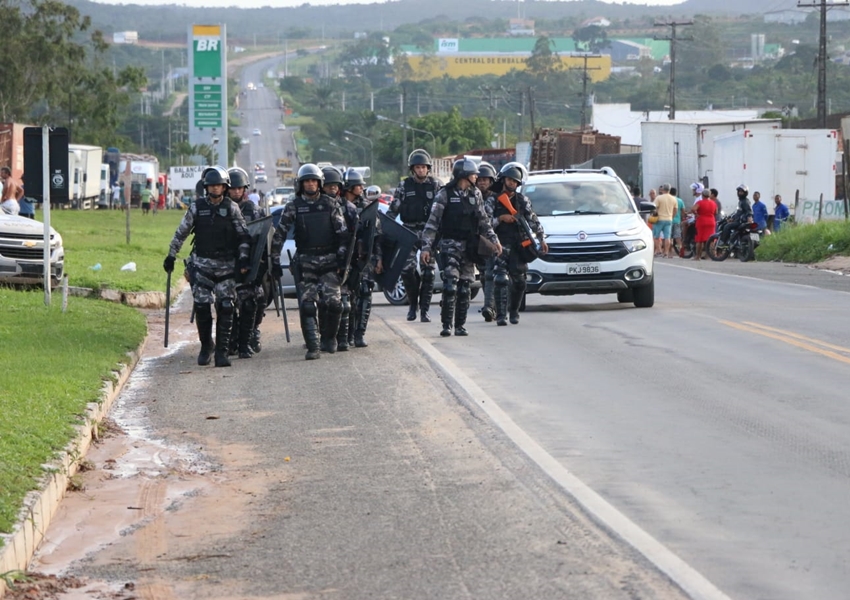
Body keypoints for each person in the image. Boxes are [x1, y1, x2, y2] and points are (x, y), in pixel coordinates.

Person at [163, 166, 251, 368]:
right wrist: (171, 255)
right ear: (206, 187)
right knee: (202, 307)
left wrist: (244, 259)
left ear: (224, 187)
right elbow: (181, 232)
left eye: (219, 186)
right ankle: (206, 346)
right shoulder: (197, 207)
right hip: (202, 266)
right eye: (211, 186)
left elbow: (243, 235)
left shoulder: (231, 208)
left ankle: (222, 351)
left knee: (226, 307)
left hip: (226, 267)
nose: (215, 189)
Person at [275, 164, 350, 360]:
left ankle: (329, 339)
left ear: (319, 183)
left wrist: (343, 259)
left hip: (329, 261)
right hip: (306, 261)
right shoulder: (293, 206)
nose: (310, 184)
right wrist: (274, 259)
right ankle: (313, 346)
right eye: (307, 181)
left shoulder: (330, 204)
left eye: (313, 181)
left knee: (334, 304)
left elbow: (343, 235)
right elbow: (280, 233)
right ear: (300, 184)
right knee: (308, 305)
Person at [421, 159, 501, 337]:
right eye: (474, 174)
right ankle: (446, 324)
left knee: (465, 287)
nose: (477, 177)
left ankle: (460, 326)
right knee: (450, 285)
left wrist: (494, 240)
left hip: (470, 246)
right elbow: (432, 223)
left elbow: (483, 220)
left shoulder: (476, 195)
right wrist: (426, 247)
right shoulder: (444, 194)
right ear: (464, 175)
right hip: (450, 245)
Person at [486, 163, 547, 326]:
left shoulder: (522, 201)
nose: (512, 183)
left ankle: (514, 311)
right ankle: (500, 315)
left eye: (515, 181)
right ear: (504, 180)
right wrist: (500, 219)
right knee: (500, 279)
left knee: (520, 281)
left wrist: (541, 239)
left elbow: (533, 221)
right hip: (499, 244)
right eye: (509, 180)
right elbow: (484, 223)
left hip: (519, 245)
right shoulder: (493, 200)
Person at [387, 149, 443, 323]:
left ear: (428, 169)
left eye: (423, 167)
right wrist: (384, 228)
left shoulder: (436, 186)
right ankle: (413, 305)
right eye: (417, 167)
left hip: (429, 232)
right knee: (407, 270)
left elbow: (443, 211)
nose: (420, 170)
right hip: (408, 231)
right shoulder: (404, 186)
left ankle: (425, 310)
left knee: (428, 272)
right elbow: (393, 210)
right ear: (413, 169)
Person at [227, 167, 270, 359]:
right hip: (226, 265)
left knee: (255, 302)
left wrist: (263, 267)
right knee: (227, 305)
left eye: (240, 188)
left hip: (250, 267)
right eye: (233, 188)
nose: (236, 192)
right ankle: (231, 340)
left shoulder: (255, 211)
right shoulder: (222, 210)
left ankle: (251, 333)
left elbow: (264, 240)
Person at [342, 168, 383, 348]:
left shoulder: (367, 206)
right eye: (358, 185)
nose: (361, 188)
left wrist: (379, 258)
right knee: (347, 297)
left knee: (365, 293)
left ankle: (359, 334)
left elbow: (377, 235)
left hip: (364, 258)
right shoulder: (339, 205)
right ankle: (347, 334)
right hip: (346, 258)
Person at [476, 161, 498, 322]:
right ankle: (490, 305)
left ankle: (490, 307)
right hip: (476, 241)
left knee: (491, 274)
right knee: (483, 275)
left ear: (491, 181)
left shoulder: (497, 199)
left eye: (486, 179)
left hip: (494, 240)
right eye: (480, 179)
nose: (482, 182)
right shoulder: (472, 197)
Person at [652, 184, 678, 258]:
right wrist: (672, 216)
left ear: (663, 189)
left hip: (659, 219)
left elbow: (654, 208)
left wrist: (654, 215)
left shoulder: (659, 198)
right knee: (667, 237)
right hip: (669, 219)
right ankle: (666, 252)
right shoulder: (673, 199)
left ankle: (659, 250)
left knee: (656, 236)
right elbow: (675, 209)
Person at [692, 187, 717, 261]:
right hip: (711, 221)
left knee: (699, 240)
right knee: (711, 240)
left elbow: (693, 209)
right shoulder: (713, 203)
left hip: (701, 221)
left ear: (702, 195)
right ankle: (713, 255)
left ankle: (697, 256)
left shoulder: (700, 202)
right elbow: (716, 212)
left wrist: (696, 214)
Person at [670, 186, 686, 258]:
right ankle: (681, 250)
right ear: (676, 193)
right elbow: (683, 211)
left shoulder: (669, 200)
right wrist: (683, 218)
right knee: (678, 237)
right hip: (677, 221)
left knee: (669, 237)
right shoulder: (680, 201)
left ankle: (670, 253)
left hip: (669, 221)